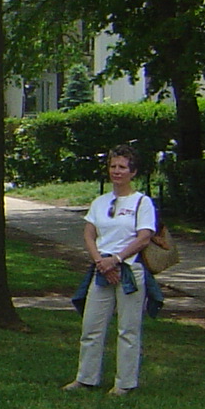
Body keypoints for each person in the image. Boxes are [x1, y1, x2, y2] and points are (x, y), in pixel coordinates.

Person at [67, 146, 158, 395]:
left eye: (122, 167)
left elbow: (144, 237)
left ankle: (125, 383)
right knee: (91, 327)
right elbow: (89, 234)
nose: (116, 172)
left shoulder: (142, 202)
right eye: (113, 166)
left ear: (133, 172)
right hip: (102, 269)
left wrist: (116, 259)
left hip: (129, 269)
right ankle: (86, 378)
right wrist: (101, 262)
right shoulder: (100, 202)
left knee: (128, 329)